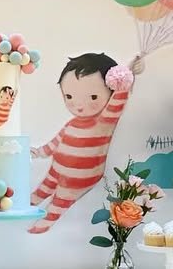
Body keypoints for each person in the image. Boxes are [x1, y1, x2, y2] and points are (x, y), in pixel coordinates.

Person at [28, 51, 140, 234]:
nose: (79, 105)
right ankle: (30, 205)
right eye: (69, 97)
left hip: (80, 177)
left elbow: (118, 98)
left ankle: (44, 223)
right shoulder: (73, 123)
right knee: (41, 190)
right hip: (56, 169)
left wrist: (124, 77)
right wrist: (41, 152)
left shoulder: (104, 122)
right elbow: (57, 141)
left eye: (93, 97)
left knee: (59, 202)